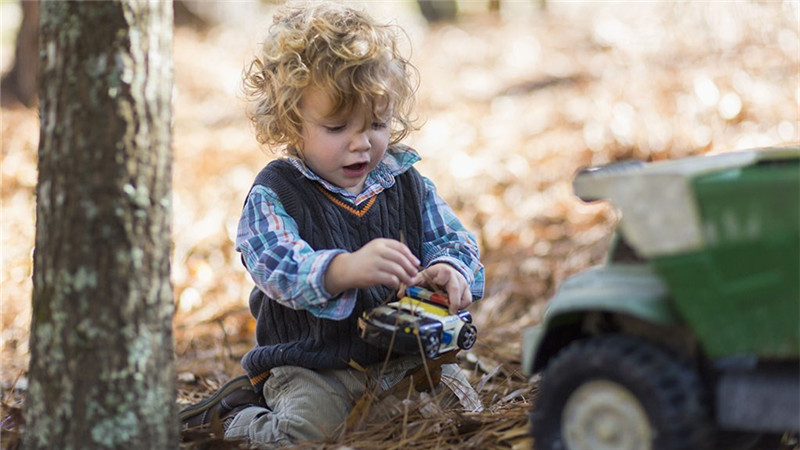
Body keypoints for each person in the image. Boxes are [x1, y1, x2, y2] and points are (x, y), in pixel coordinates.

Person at [179, 2, 485, 445]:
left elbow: (455, 239)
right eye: (337, 127)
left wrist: (450, 269)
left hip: (401, 357)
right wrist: (343, 269)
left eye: (377, 124)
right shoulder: (277, 193)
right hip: (315, 365)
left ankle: (379, 415)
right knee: (305, 436)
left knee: (463, 413)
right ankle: (235, 419)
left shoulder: (405, 183)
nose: (361, 144)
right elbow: (277, 266)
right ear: (291, 123)